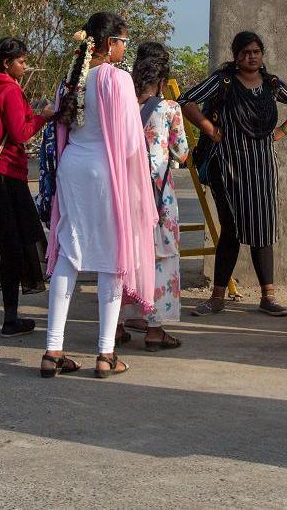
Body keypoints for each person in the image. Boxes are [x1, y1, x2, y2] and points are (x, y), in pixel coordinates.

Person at [40, 12, 158, 379]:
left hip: (73, 167)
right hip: (105, 170)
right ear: (109, 44)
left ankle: (53, 349)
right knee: (112, 256)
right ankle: (105, 354)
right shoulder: (117, 79)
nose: (125, 47)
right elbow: (126, 141)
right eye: (124, 40)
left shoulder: (72, 79)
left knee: (69, 251)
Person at [180, 31, 287, 317]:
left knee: (263, 227)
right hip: (227, 165)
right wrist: (209, 129)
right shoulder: (222, 82)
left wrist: (282, 132)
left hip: (262, 165)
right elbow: (186, 100)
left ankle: (269, 296)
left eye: (256, 52)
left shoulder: (272, 84)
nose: (251, 57)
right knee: (232, 227)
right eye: (246, 52)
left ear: (261, 54)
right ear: (236, 55)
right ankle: (217, 297)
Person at [0, 38, 53, 338]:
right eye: (21, 61)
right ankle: (10, 319)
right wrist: (43, 118)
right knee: (13, 248)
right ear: (7, 63)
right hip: (8, 176)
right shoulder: (9, 89)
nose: (25, 66)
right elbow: (18, 134)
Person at [121, 42, 189, 351]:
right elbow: (182, 152)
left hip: (125, 192)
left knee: (127, 256)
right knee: (161, 257)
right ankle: (155, 328)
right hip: (159, 193)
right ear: (163, 79)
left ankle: (121, 323)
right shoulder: (169, 108)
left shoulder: (123, 105)